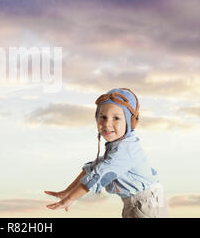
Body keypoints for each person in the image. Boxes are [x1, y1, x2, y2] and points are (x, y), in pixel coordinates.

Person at [44, 87, 169, 218]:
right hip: (140, 202)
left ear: (130, 122)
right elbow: (93, 168)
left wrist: (69, 199)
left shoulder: (125, 151)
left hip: (148, 204)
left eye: (116, 118)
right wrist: (67, 192)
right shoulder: (118, 145)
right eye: (102, 117)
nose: (107, 123)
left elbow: (98, 175)